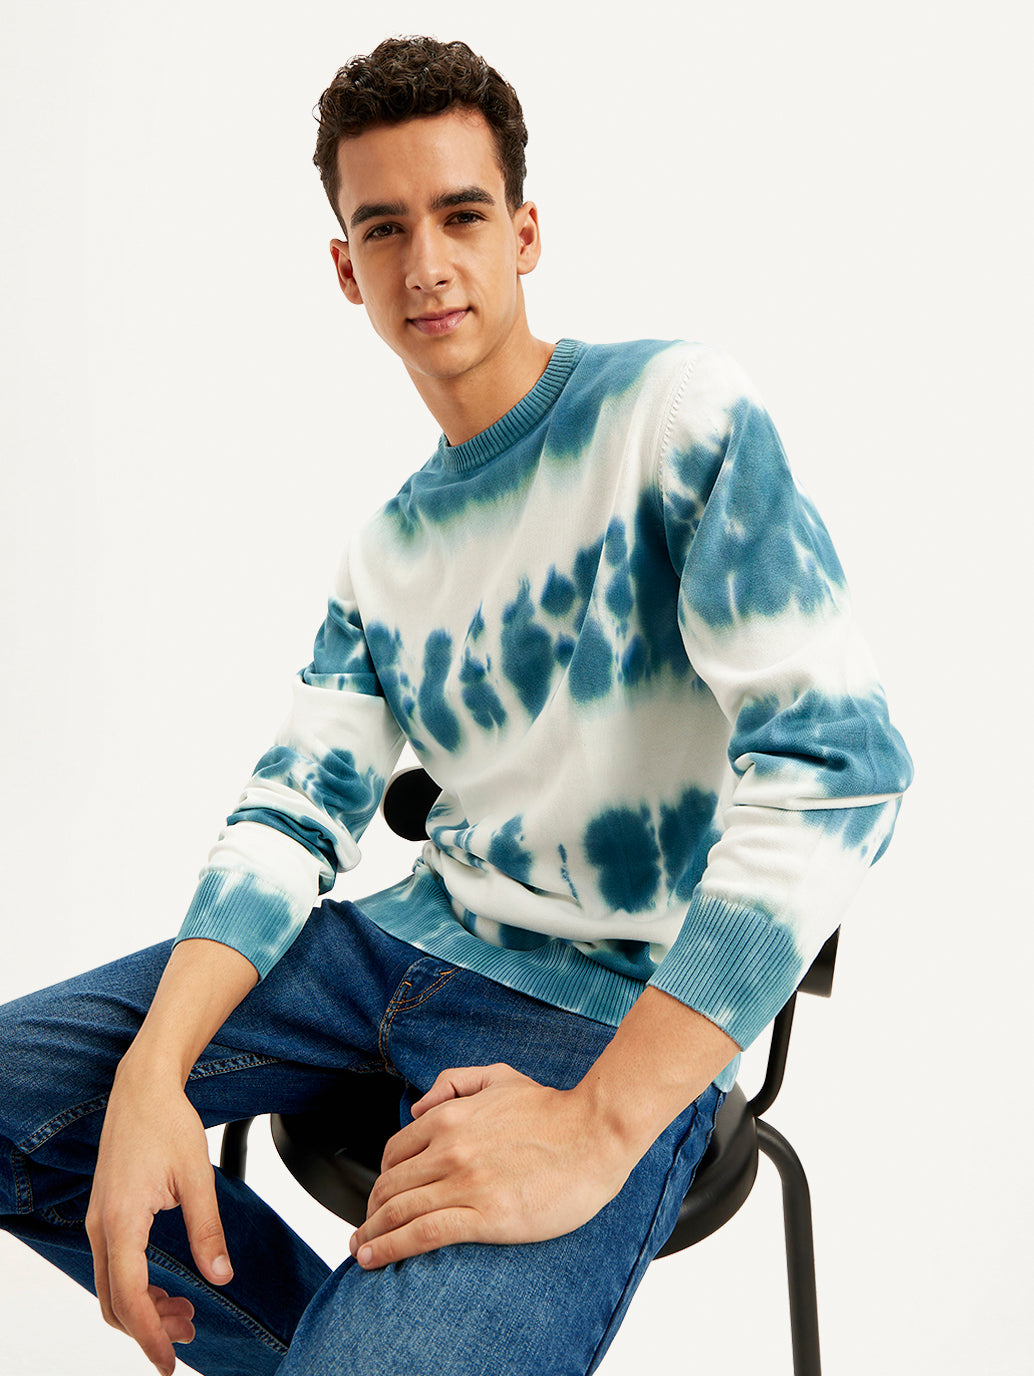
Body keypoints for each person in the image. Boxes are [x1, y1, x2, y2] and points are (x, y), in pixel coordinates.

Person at [0, 35, 912, 1376]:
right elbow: (287, 816)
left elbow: (839, 767)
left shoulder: (671, 415)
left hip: (603, 1010)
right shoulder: (386, 547)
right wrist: (149, 1076)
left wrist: (596, 1126)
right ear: (345, 268)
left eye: (462, 215)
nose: (425, 262)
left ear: (524, 233)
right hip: (387, 948)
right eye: (384, 228)